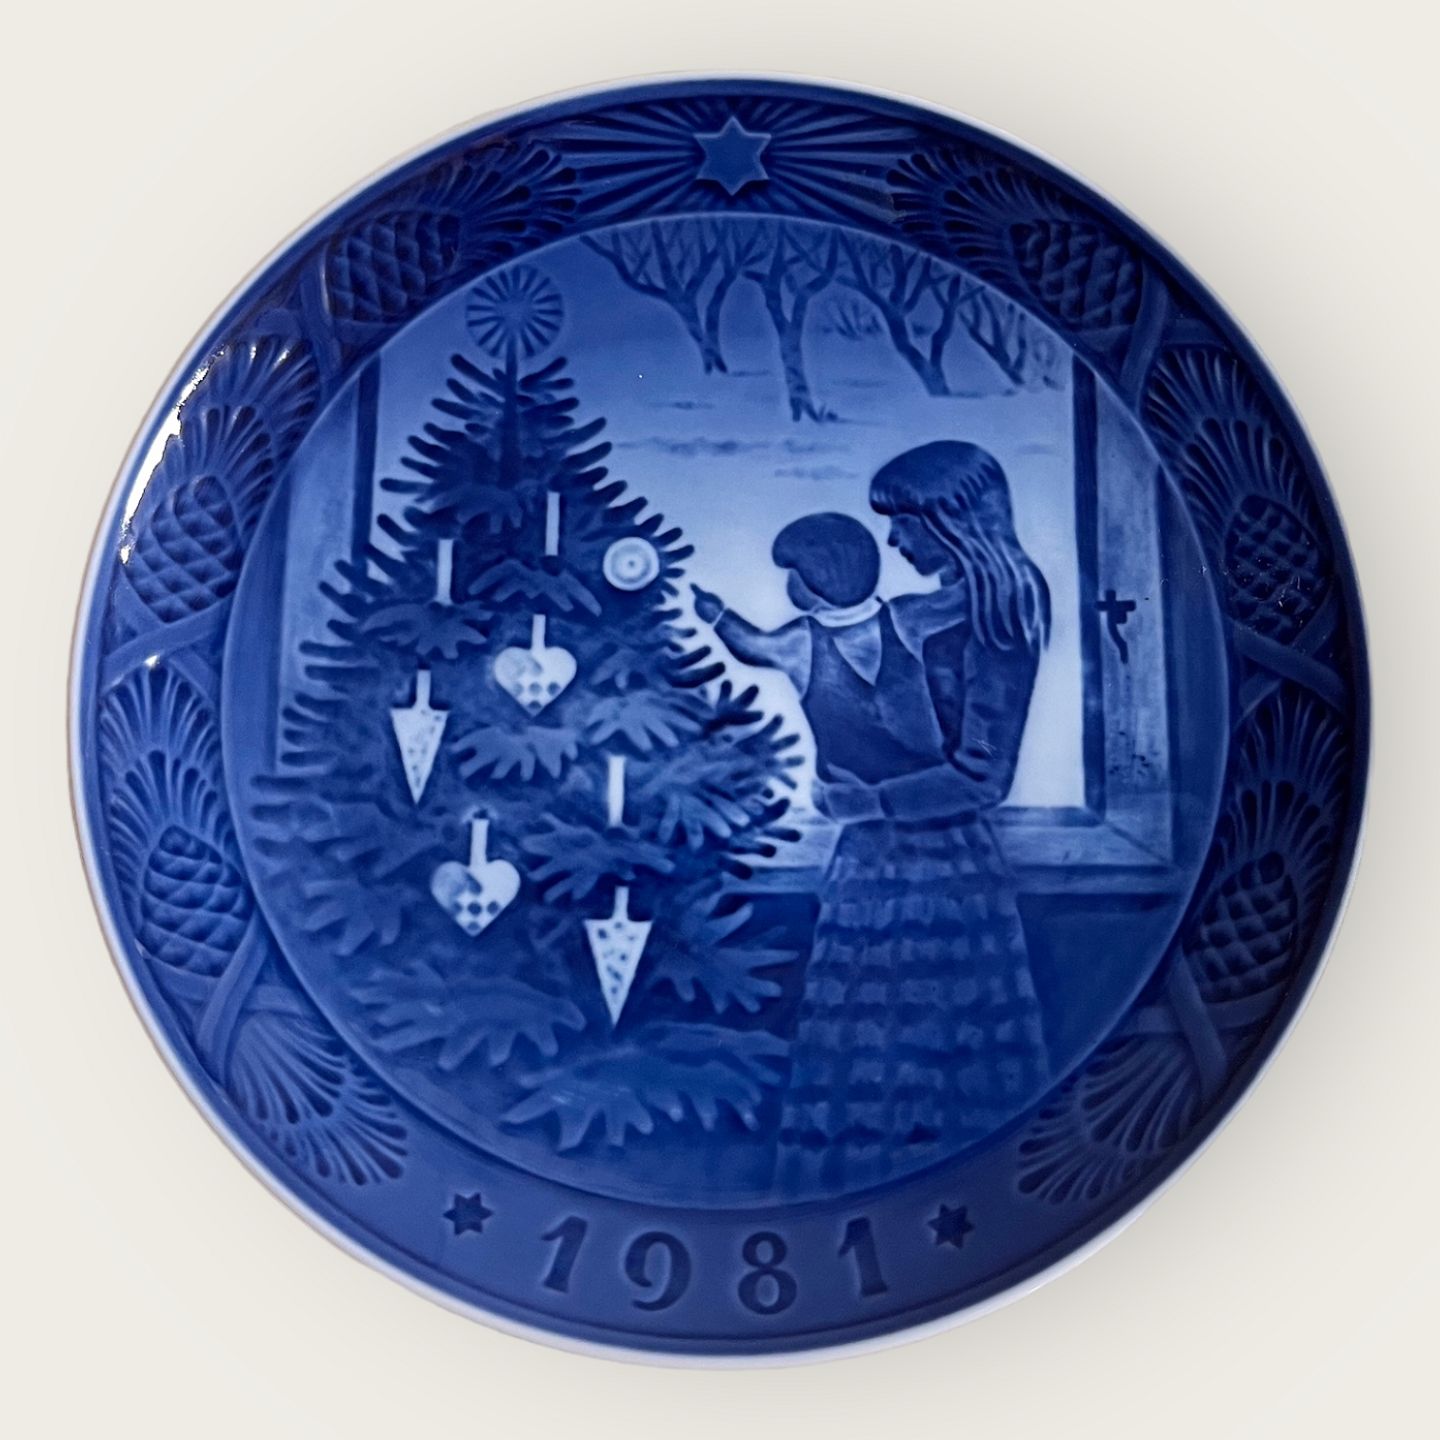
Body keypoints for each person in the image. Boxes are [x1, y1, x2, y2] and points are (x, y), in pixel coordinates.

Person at [702, 445, 1052, 1193]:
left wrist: (870, 801)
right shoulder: (921, 612)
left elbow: (983, 775)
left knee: (941, 1052)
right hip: (871, 861)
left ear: (952, 519)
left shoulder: (995, 608)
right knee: (857, 1048)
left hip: (943, 863)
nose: (893, 541)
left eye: (905, 522)